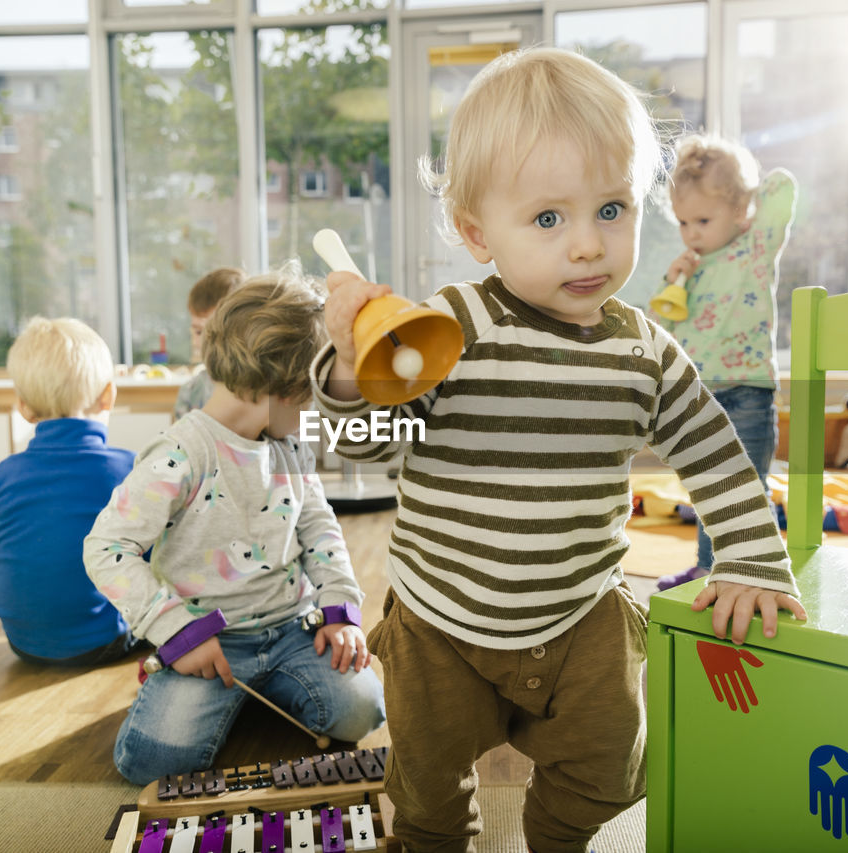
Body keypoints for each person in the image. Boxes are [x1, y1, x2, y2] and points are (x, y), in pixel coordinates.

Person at [312, 47, 805, 852]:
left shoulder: (644, 350)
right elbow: (360, 443)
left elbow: (717, 449)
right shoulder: (451, 327)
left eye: (612, 209)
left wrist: (750, 555)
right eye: (549, 218)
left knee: (609, 765)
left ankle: (558, 836)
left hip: (580, 612)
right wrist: (348, 365)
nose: (587, 245)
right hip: (443, 620)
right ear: (477, 232)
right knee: (427, 785)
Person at [85, 261, 385, 785]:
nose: (319, 401)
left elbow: (318, 525)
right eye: (316, 387)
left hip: (294, 629)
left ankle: (256, 689)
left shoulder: (290, 443)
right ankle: (212, 686)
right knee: (150, 765)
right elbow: (106, 548)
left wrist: (340, 606)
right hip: (210, 640)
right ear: (285, 386)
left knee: (363, 712)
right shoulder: (180, 454)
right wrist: (175, 631)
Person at [654, 135, 797, 578]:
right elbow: (664, 331)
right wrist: (672, 282)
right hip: (702, 397)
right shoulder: (690, 270)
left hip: (748, 392)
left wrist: (736, 189)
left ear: (738, 212)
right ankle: (707, 567)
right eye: (682, 222)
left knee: (747, 490)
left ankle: (758, 570)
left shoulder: (755, 248)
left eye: (702, 219)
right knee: (709, 488)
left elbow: (783, 186)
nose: (691, 233)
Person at [0, 317, 139, 665]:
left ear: (23, 407)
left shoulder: (4, 473)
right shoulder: (129, 469)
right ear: (108, 396)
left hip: (22, 646)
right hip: (103, 641)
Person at [173, 266, 248, 419]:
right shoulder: (190, 393)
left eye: (216, 332)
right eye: (199, 331)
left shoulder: (265, 395)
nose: (204, 343)